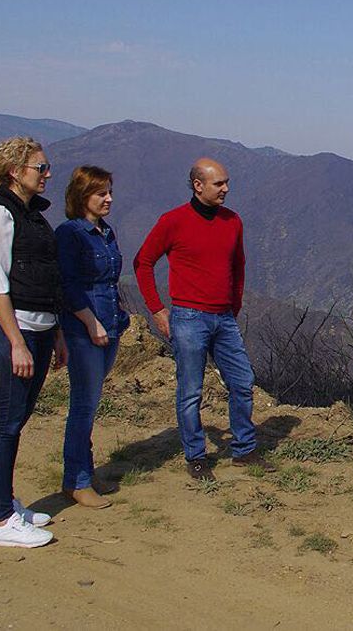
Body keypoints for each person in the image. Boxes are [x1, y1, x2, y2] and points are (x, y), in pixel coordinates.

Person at [133, 157, 275, 481]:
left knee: (242, 382)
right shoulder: (173, 221)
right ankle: (195, 457)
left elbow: (238, 266)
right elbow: (143, 262)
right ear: (198, 185)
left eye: (226, 182)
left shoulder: (233, 221)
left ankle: (244, 449)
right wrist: (157, 309)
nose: (226, 189)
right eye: (219, 183)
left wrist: (233, 306)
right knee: (191, 391)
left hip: (223, 318)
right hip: (188, 316)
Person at [0, 136, 65, 548]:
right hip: (17, 332)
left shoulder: (31, 214)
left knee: (17, 420)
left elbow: (47, 277)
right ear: (16, 171)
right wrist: (16, 342)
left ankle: (5, 503)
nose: (47, 174)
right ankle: (1, 520)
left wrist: (57, 332)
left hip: (41, 328)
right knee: (5, 424)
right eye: (40, 168)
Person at [55, 166, 130, 509]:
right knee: (84, 405)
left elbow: (110, 279)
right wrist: (90, 322)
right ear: (83, 196)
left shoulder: (105, 232)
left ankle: (84, 471)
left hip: (110, 324)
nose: (109, 199)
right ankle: (77, 480)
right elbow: (68, 285)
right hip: (86, 331)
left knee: (92, 402)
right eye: (101, 193)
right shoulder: (71, 234)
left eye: (110, 191)